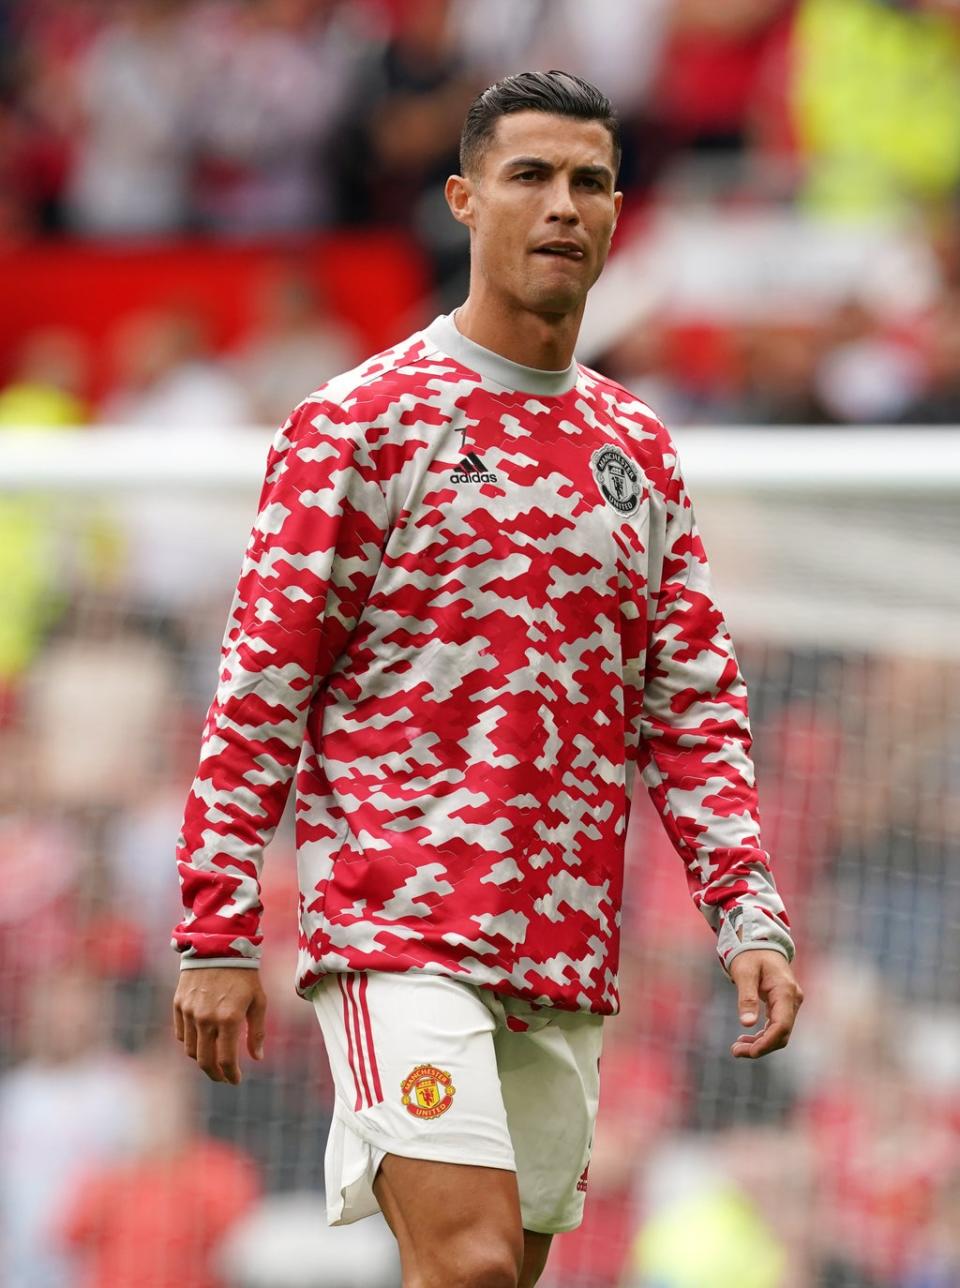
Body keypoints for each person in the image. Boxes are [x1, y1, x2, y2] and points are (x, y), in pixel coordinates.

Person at [172, 70, 803, 1288]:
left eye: (591, 182)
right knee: (465, 1265)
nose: (563, 205)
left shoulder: (640, 450)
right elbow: (261, 684)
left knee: (492, 1279)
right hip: (398, 924)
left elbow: (691, 707)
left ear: (620, 213)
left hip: (563, 947)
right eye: (530, 177)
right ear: (464, 199)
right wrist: (216, 929)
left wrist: (747, 911)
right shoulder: (362, 422)